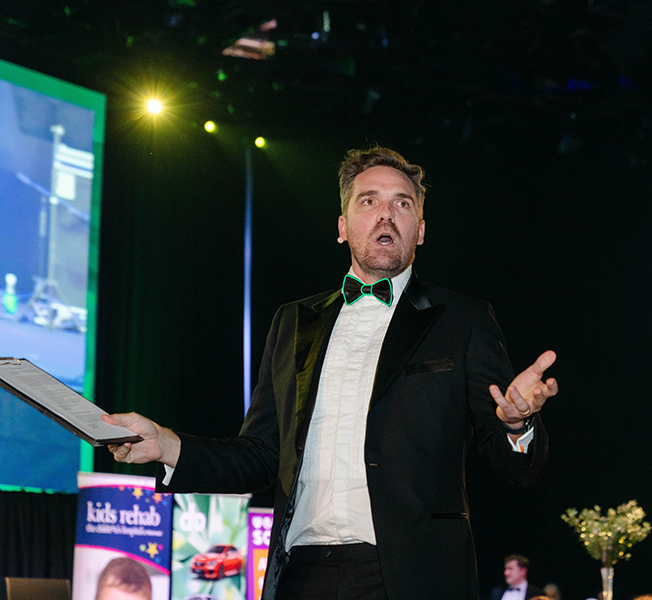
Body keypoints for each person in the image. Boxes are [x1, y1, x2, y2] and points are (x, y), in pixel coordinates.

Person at [102, 146, 559, 600]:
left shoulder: (463, 320)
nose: (386, 214)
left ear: (420, 231)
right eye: (369, 201)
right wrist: (166, 445)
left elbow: (517, 467)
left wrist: (517, 424)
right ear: (342, 227)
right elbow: (260, 455)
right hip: (302, 573)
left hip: (413, 575)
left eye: (402, 203)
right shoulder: (293, 322)